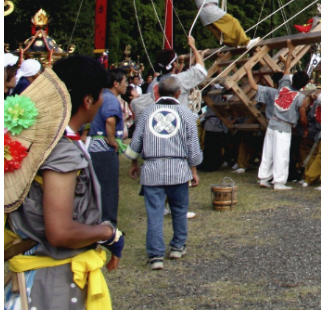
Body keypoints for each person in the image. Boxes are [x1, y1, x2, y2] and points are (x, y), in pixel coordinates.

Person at [4, 57, 125, 309]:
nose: (103, 100)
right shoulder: (62, 151)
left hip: (34, 277)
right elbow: (60, 232)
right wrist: (109, 233)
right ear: (88, 100)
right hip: (53, 284)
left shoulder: (36, 140)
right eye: (100, 94)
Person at [125, 75, 202, 270]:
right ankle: (177, 246)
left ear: (157, 91)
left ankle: (155, 256)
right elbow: (193, 148)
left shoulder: (146, 113)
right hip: (178, 170)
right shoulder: (187, 115)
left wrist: (134, 162)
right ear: (179, 93)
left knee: (155, 214)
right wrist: (194, 169)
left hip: (152, 170)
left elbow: (135, 143)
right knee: (179, 210)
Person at [255, 55, 309, 190]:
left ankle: (264, 178)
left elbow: (286, 70)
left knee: (268, 152)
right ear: (304, 85)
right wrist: (305, 128)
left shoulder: (283, 85)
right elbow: (302, 118)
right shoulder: (301, 97)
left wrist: (290, 51)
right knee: (281, 154)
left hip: (272, 123)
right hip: (284, 127)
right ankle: (279, 182)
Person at [88, 67, 128, 224]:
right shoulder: (110, 99)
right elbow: (110, 119)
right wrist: (111, 139)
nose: (127, 85)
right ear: (116, 83)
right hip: (103, 146)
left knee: (100, 186)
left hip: (95, 145)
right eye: (124, 82)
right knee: (108, 188)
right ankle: (107, 224)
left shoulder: (101, 96)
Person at [192, 0, 259, 48]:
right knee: (233, 22)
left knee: (220, 33)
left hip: (202, 14)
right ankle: (246, 42)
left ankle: (237, 44)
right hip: (211, 9)